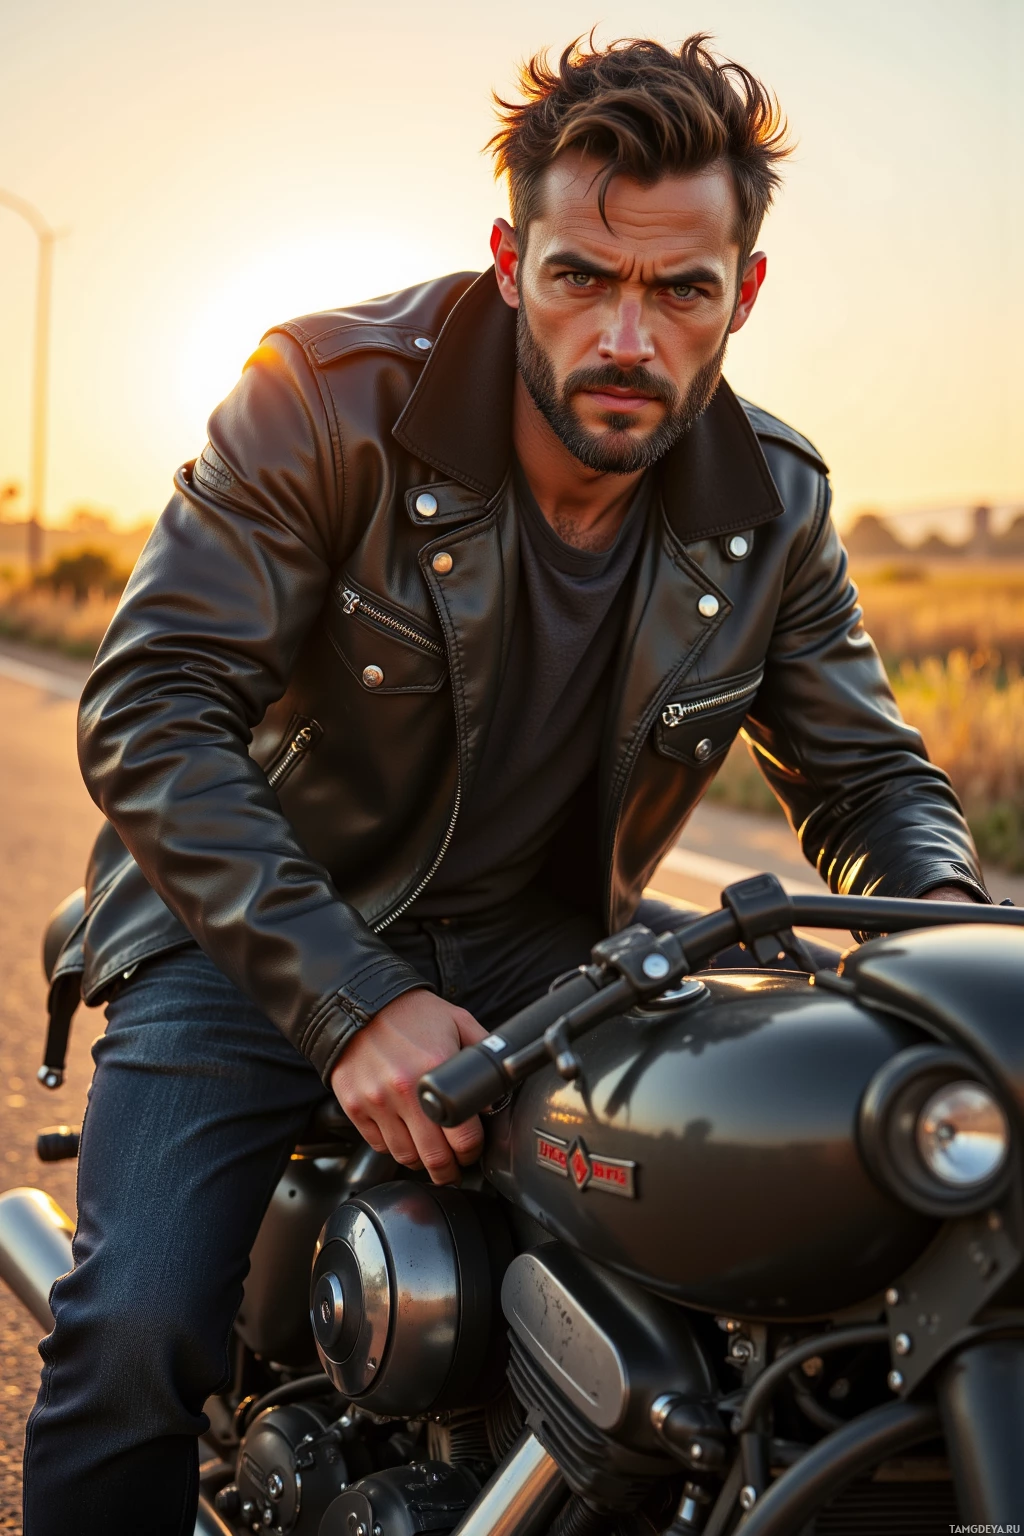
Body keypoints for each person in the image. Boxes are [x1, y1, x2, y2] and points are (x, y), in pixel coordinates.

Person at [23, 34, 985, 1535]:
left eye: (681, 291)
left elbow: (869, 777)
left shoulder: (771, 505)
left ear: (745, 289)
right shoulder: (326, 399)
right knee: (139, 1331)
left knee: (759, 1272)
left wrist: (950, 947)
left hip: (546, 948)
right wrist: (348, 998)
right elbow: (152, 709)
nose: (628, 334)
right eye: (580, 276)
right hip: (254, 918)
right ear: (507, 255)